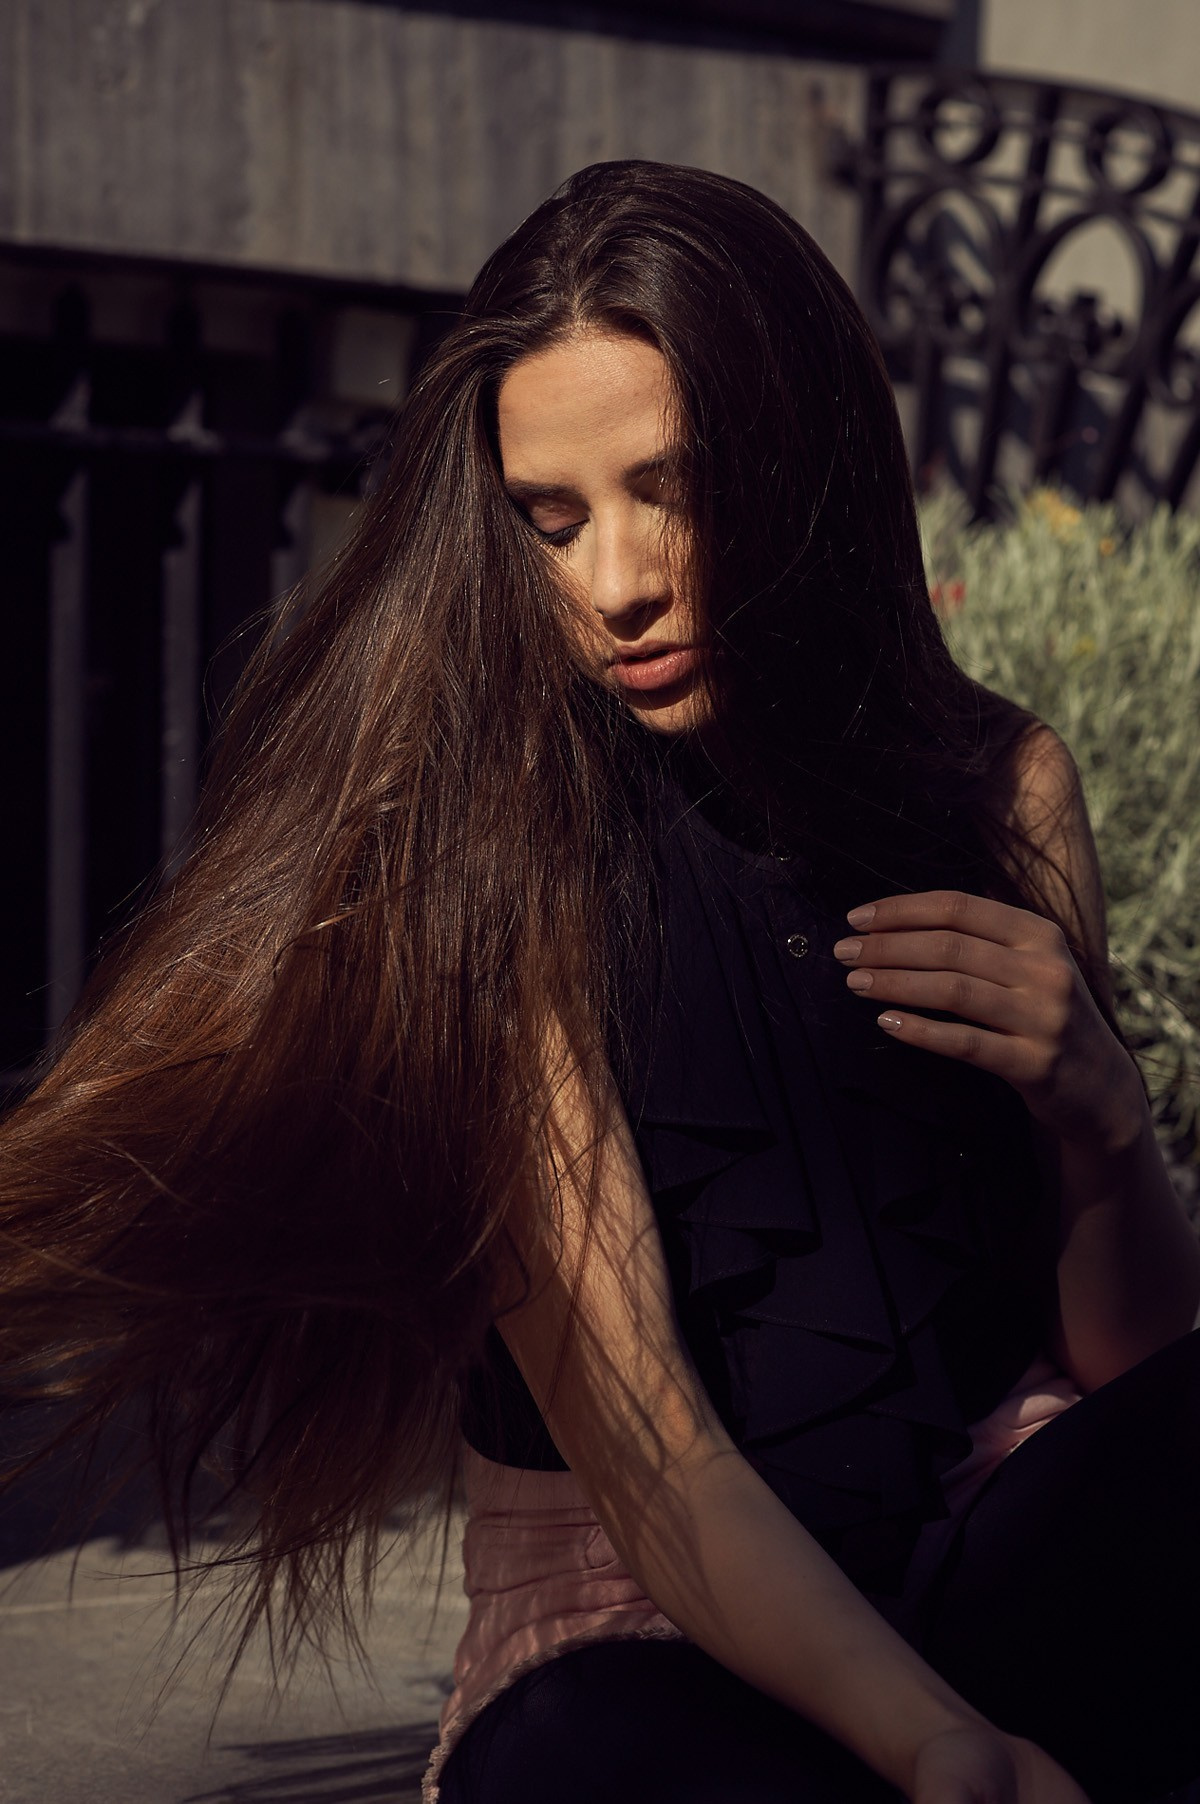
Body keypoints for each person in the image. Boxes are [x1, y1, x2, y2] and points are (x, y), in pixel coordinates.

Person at [2, 161, 1199, 1804]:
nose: (616, 581)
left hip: (994, 1535)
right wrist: (940, 1746)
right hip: (650, 1628)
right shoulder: (504, 852)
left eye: (674, 490)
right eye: (549, 521)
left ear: (802, 464)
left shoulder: (1005, 789)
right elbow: (656, 1460)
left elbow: (1130, 1364)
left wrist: (1101, 1119)